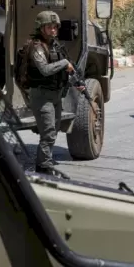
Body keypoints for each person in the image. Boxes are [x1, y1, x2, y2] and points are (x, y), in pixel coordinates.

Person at [25, 11, 82, 176]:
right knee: (48, 132)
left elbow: (65, 70)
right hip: (42, 96)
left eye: (55, 27)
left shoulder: (55, 46)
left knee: (53, 130)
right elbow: (44, 69)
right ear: (41, 28)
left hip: (55, 95)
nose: (53, 30)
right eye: (49, 27)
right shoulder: (36, 47)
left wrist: (77, 82)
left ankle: (44, 163)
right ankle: (43, 166)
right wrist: (64, 63)